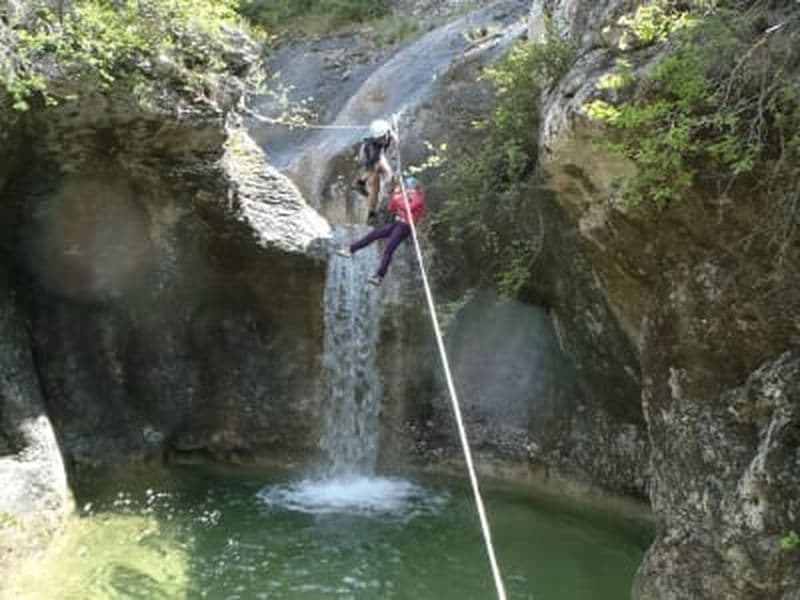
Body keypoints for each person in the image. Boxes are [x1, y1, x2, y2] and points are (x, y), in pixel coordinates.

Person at [337, 176, 426, 286]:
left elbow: (409, 208)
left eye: (410, 189)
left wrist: (398, 198)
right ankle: (350, 250)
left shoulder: (418, 198)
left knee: (389, 249)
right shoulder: (404, 197)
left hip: (405, 227)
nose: (409, 191)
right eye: (408, 189)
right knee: (374, 234)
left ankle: (379, 276)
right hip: (397, 224)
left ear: (415, 188)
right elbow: (391, 208)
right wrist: (394, 195)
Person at [355, 119, 397, 224]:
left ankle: (386, 200)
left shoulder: (387, 133)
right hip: (368, 155)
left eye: (383, 138)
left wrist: (395, 137)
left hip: (378, 155)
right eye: (379, 139)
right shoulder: (372, 147)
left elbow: (392, 135)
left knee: (386, 176)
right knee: (375, 183)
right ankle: (372, 212)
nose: (382, 141)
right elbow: (373, 166)